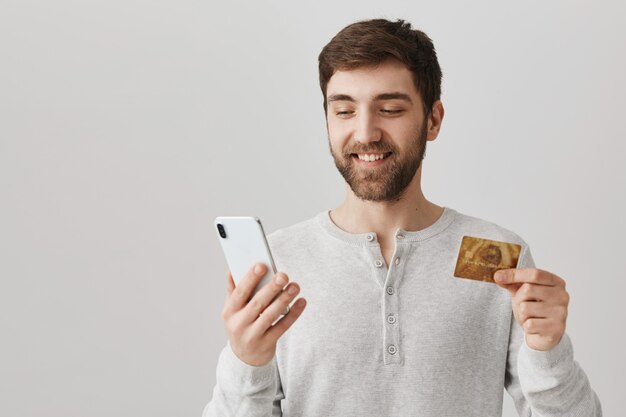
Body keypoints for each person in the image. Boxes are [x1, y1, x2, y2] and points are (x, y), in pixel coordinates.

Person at [204, 18, 602, 416]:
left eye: (390, 108)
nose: (365, 133)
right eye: (343, 110)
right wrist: (246, 363)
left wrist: (549, 353)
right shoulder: (280, 262)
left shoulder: (495, 256)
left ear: (432, 120)